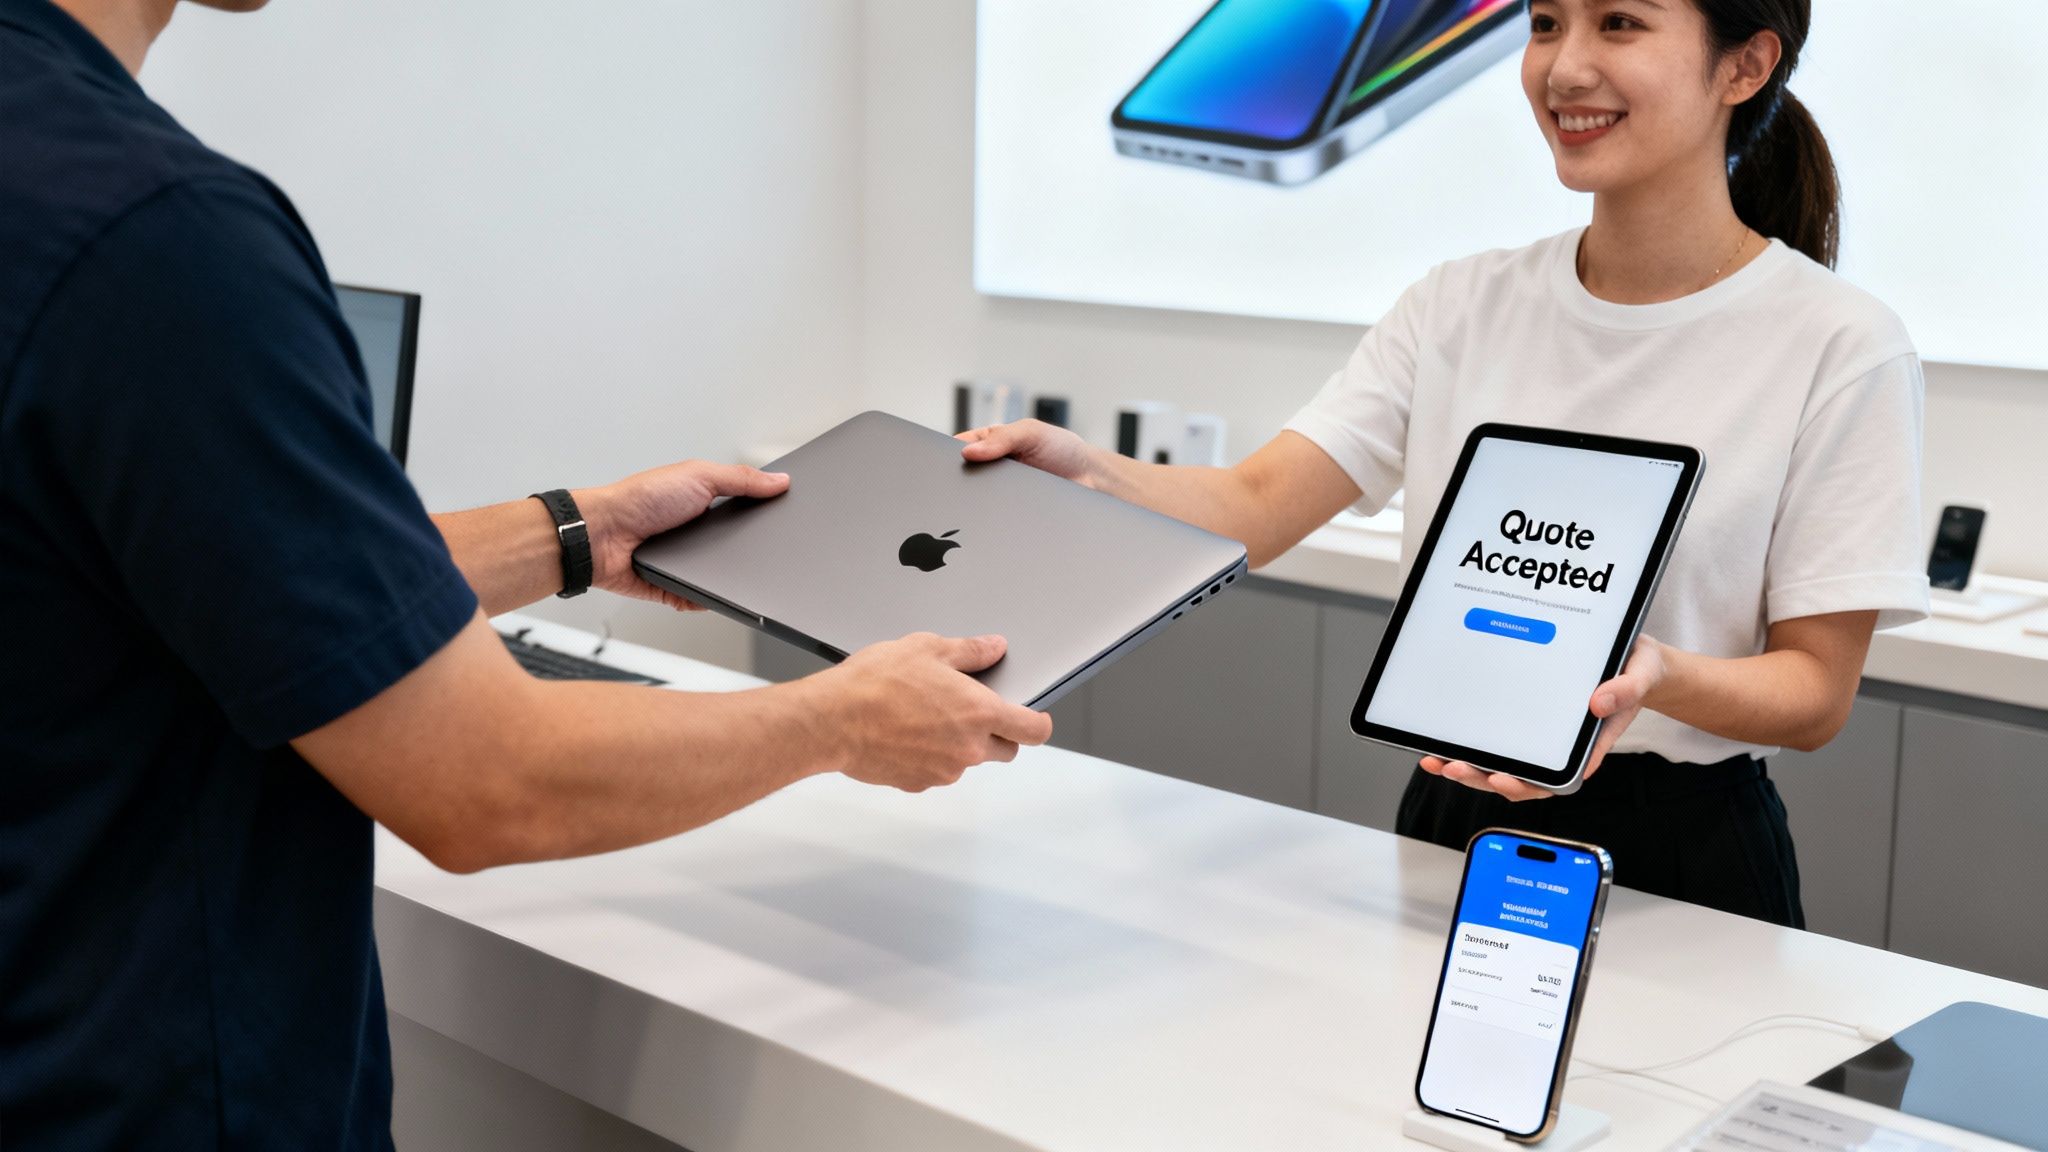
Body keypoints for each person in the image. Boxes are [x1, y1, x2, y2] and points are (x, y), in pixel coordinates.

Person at [0, 0, 1050, 1146]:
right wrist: (838, 721)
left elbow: (200, 571)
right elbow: (486, 780)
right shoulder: (155, 235)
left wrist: (573, 534)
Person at [965, 0, 1927, 926]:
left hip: (1686, 852)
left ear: (1745, 65)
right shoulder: (1459, 306)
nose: (1565, 66)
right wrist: (1092, 474)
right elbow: (1257, 501)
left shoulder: (1841, 345)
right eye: (1545, 23)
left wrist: (1655, 676)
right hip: (1453, 826)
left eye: (1620, 23)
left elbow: (1814, 691)